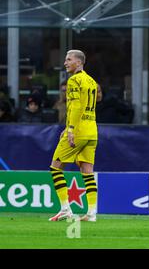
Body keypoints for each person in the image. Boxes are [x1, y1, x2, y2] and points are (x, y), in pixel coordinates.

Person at [48, 50, 99, 222]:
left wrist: (70, 128)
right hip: (91, 130)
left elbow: (76, 106)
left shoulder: (74, 80)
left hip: (77, 131)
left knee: (55, 167)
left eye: (68, 59)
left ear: (79, 62)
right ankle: (91, 213)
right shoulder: (91, 81)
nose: (65, 63)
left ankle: (65, 209)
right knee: (87, 171)